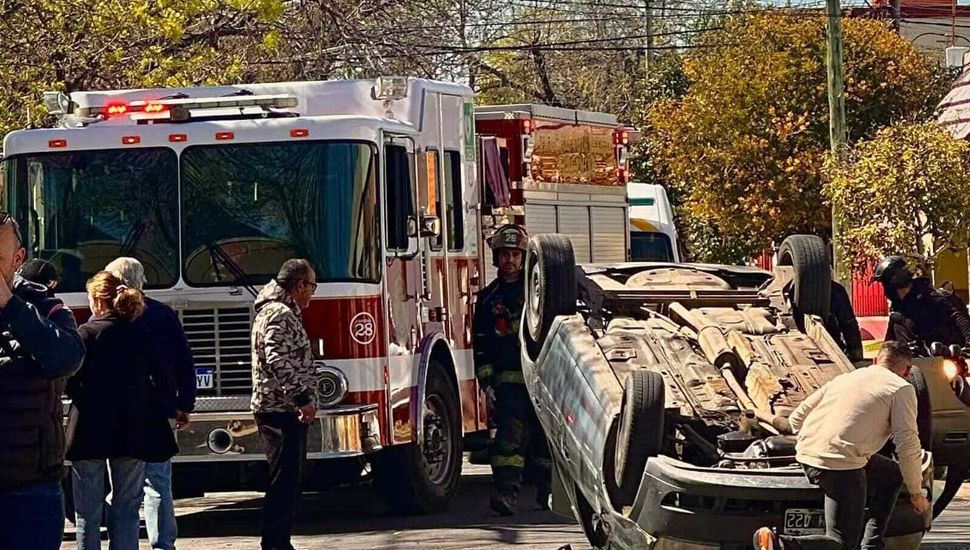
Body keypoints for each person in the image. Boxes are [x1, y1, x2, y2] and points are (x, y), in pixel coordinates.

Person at [753, 341, 930, 550]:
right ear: (908, 370)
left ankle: (871, 545)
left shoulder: (846, 378)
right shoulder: (901, 388)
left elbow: (795, 420)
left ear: (876, 360)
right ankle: (781, 544)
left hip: (806, 454)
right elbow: (907, 444)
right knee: (842, 543)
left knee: (892, 474)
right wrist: (916, 494)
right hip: (840, 464)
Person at [67, 271, 178, 550]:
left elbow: (70, 382)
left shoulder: (86, 334)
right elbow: (165, 380)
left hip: (89, 430)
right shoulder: (142, 333)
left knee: (87, 513)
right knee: (127, 508)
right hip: (133, 430)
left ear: (97, 301)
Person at [0, 214, 85, 550]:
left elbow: (68, 358)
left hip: (29, 489)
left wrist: (10, 305)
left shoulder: (44, 307)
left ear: (18, 259)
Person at [106, 257, 196, 550]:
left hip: (119, 413)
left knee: (123, 488)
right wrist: (186, 403)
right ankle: (163, 544)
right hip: (160, 410)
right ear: (142, 280)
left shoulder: (107, 319)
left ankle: (123, 543)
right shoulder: (163, 315)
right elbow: (183, 360)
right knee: (158, 482)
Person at [473, 224, 551, 516]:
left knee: (546, 439)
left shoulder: (539, 294)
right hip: (509, 384)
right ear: (496, 257)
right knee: (509, 441)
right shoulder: (488, 298)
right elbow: (480, 344)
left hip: (543, 380)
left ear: (524, 258)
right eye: (504, 254)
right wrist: (487, 382)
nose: (510, 260)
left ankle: (549, 494)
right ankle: (506, 494)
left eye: (515, 255)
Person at [251, 259, 321, 550]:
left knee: (288, 479)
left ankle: (278, 541)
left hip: (280, 407)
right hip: (279, 409)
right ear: (299, 285)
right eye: (311, 287)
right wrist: (301, 397)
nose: (312, 294)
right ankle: (275, 542)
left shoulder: (277, 310)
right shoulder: (279, 314)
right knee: (284, 481)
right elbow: (277, 358)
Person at [873, 255, 970, 346]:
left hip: (948, 358)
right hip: (915, 362)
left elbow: (962, 320)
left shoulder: (939, 298)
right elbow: (889, 346)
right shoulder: (898, 314)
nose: (886, 290)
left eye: (885, 284)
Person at [825, 280, 864, 363]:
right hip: (833, 350)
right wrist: (856, 353)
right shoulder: (836, 289)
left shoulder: (794, 288)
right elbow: (849, 323)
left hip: (833, 349)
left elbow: (849, 323)